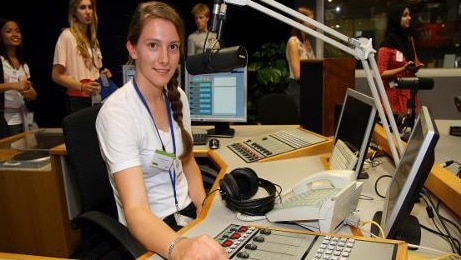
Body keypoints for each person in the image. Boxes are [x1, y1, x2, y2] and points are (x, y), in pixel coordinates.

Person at [95, 2, 228, 259]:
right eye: (153, 45)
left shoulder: (177, 96)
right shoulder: (117, 114)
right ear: (132, 49)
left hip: (187, 216)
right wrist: (179, 247)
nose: (165, 59)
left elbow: (187, 163)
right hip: (152, 232)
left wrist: (204, 213)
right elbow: (136, 211)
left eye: (173, 47)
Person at [52, 0, 112, 115]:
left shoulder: (93, 40)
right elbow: (56, 75)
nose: (88, 12)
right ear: (74, 12)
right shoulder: (67, 36)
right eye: (83, 8)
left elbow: (92, 72)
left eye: (90, 7)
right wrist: (81, 86)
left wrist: (103, 75)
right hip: (78, 101)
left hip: (96, 98)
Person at [377, 4, 423, 123]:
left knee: (409, 134)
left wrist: (415, 68)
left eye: (409, 15)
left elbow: (412, 65)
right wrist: (402, 69)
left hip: (409, 97)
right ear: (396, 19)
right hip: (392, 99)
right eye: (405, 15)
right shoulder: (386, 45)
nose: (409, 18)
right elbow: (380, 74)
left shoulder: (410, 41)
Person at [0, 18, 37, 137]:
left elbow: (32, 96)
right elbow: (14, 86)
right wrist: (13, 86)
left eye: (17, 31)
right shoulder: (1, 60)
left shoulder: (23, 64)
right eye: (9, 31)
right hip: (5, 121)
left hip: (24, 118)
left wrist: (30, 93)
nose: (15, 34)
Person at [285, 6, 316, 113]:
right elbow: (298, 74)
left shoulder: (307, 43)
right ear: (302, 22)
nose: (313, 24)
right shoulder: (293, 42)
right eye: (311, 21)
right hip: (297, 90)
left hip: (308, 87)